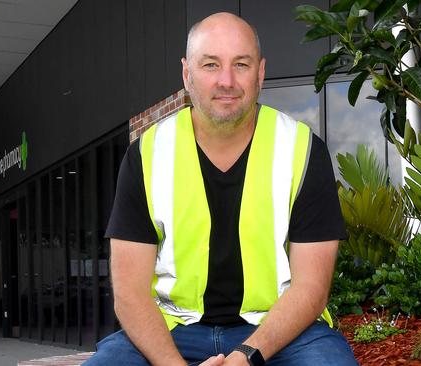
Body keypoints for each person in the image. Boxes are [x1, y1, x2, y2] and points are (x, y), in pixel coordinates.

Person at [84, 12, 358, 366]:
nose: (226, 81)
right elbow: (130, 294)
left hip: (277, 330)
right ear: (187, 73)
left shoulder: (302, 149)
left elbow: (311, 289)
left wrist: (246, 355)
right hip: (174, 328)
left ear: (260, 72)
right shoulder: (147, 154)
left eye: (241, 65)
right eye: (210, 65)